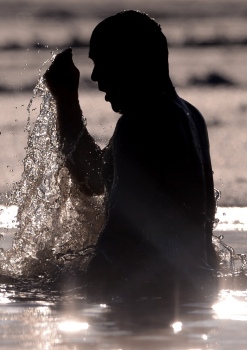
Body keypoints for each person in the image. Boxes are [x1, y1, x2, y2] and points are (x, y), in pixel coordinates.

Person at [44, 10, 218, 298]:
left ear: (132, 61)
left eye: (103, 63)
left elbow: (122, 227)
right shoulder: (188, 115)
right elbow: (94, 181)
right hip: (195, 285)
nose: (97, 77)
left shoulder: (140, 122)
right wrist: (66, 99)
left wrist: (87, 288)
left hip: (155, 291)